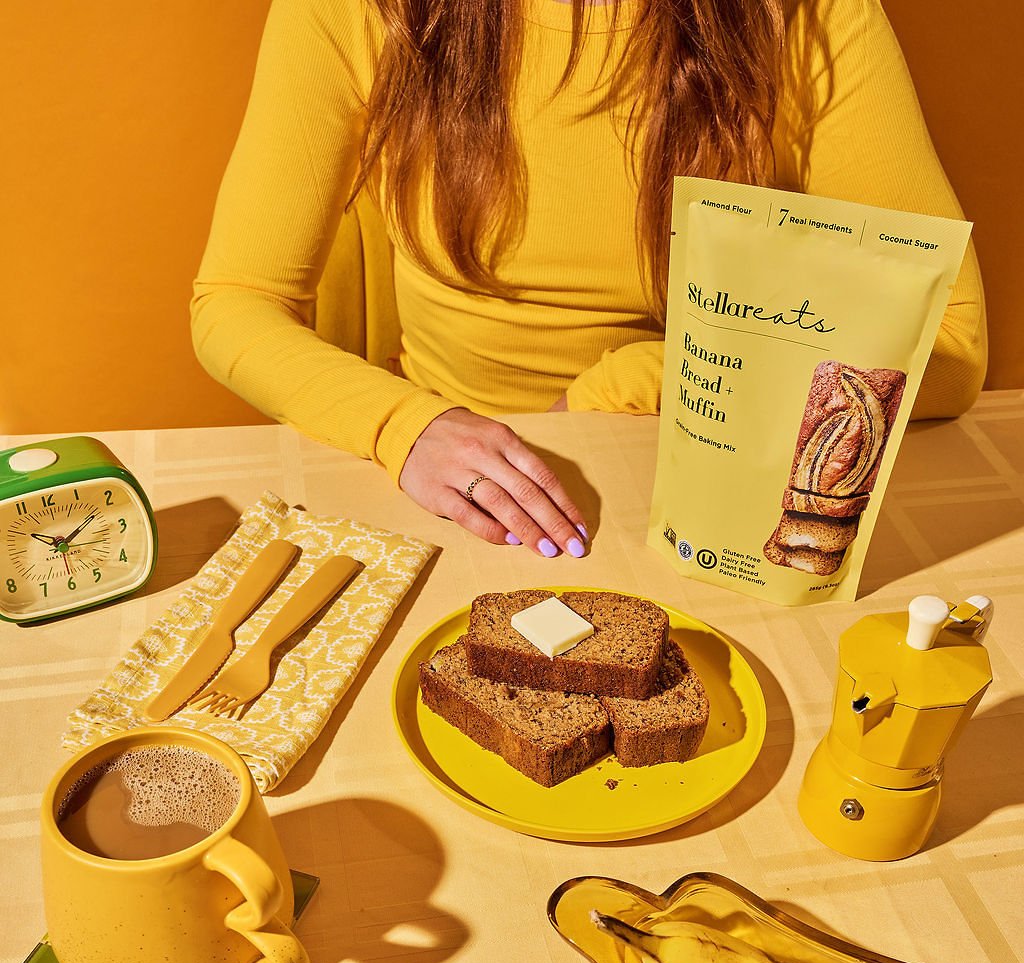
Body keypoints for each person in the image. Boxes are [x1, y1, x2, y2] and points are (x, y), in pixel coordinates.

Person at [191, 0, 986, 558]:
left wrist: (630, 385)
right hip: (457, 480)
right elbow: (235, 303)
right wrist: (406, 428)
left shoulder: (806, 15)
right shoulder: (365, 9)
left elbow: (949, 347)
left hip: (710, 462)